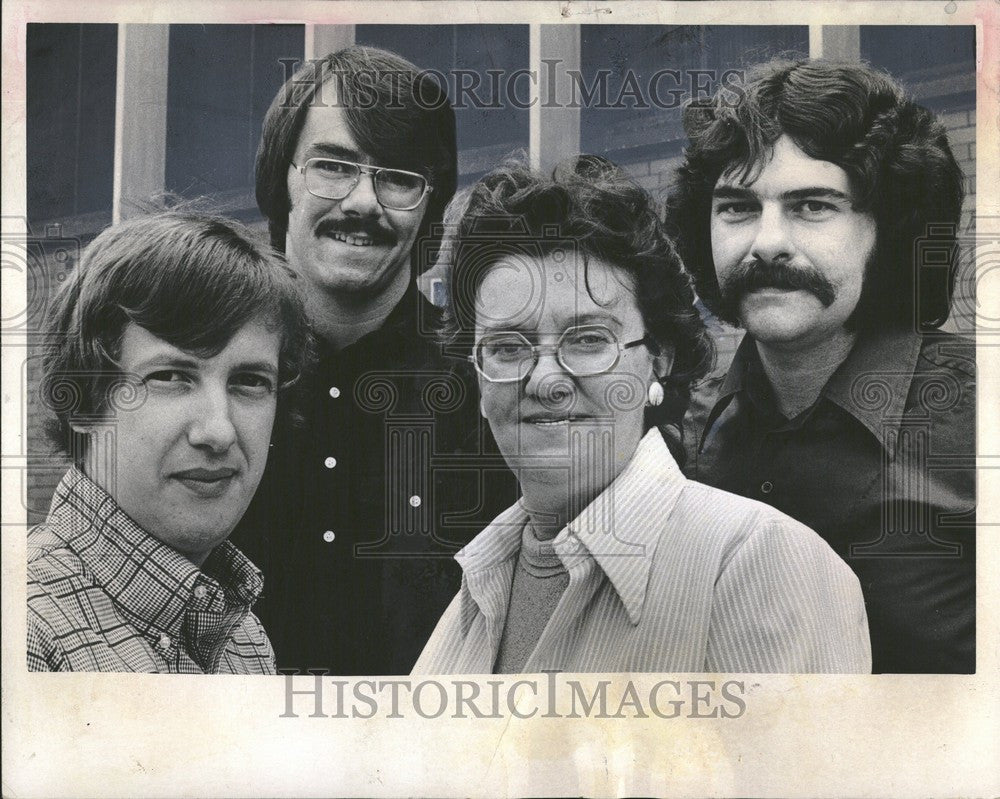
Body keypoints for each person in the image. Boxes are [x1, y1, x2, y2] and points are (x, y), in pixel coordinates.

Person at [413, 158, 871, 674]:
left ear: (659, 357)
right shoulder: (479, 583)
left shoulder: (759, 563)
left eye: (588, 340)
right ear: (476, 375)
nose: (545, 381)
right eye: (507, 346)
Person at [665, 59, 975, 673]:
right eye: (736, 208)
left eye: (812, 206)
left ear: (889, 230)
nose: (767, 242)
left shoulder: (981, 422)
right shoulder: (679, 432)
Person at [235, 45, 517, 674]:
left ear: (430, 211)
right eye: (333, 166)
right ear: (280, 182)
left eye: (397, 178)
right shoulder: (216, 380)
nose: (363, 202)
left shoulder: (489, 390)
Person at [27, 211, 310, 673]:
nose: (219, 431)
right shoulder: (28, 633)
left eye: (249, 382)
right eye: (171, 377)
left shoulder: (245, 642)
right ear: (82, 402)